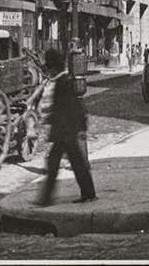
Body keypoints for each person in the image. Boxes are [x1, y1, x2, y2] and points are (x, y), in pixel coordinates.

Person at [35, 50, 96, 207]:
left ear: (55, 68)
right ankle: (88, 193)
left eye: (50, 68)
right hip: (66, 130)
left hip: (65, 131)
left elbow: (71, 107)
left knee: (57, 164)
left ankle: (46, 198)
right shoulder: (64, 81)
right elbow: (71, 107)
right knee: (74, 163)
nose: (49, 71)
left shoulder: (63, 82)